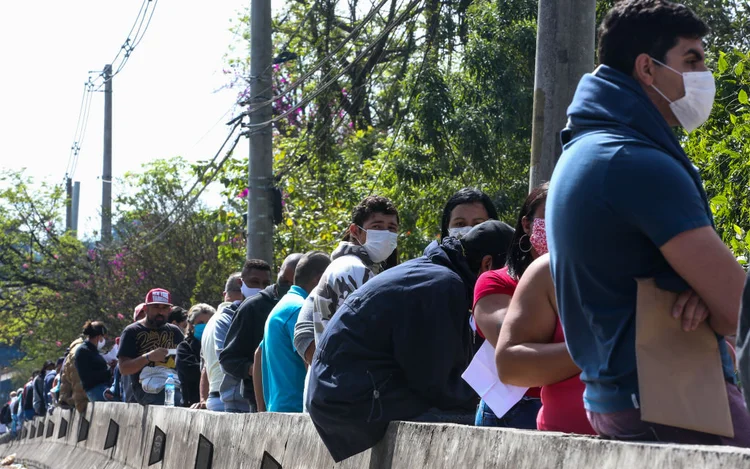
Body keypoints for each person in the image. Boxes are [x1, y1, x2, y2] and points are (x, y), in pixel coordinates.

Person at [547, 0, 750, 445]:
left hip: (620, 402)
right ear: (647, 67)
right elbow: (739, 306)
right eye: (692, 60)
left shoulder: (585, 150)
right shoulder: (634, 162)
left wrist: (705, 289)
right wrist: (716, 294)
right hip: (677, 400)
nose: (704, 75)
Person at [307, 220, 516, 462]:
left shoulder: (432, 273)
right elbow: (436, 384)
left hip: (340, 393)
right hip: (350, 399)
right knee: (487, 424)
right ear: (487, 264)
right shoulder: (443, 284)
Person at [471, 183, 547, 428]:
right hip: (516, 411)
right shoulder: (495, 282)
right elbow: (511, 343)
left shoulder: (585, 283)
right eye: (550, 216)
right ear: (527, 225)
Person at [294, 196, 400, 368]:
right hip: (352, 385)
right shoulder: (353, 270)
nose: (385, 234)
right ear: (355, 231)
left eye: (391, 228)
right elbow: (368, 339)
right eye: (377, 227)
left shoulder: (358, 268)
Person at [496, 254, 595, 435]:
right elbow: (509, 365)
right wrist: (598, 347)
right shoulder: (550, 269)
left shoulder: (661, 259)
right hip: (565, 445)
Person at [219, 255, 301, 411]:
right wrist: (256, 369)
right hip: (259, 399)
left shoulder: (303, 304)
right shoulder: (253, 307)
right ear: (280, 272)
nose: (260, 287)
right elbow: (228, 358)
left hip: (295, 397)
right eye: (254, 282)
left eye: (265, 283)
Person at [259, 252, 330, 413]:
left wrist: (261, 408)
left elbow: (258, 354)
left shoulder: (284, 305)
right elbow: (311, 361)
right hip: (296, 411)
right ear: (320, 280)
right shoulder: (300, 309)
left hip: (278, 409)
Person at [118, 288, 185, 406]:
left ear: (169, 310)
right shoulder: (132, 331)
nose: (160, 312)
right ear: (145, 309)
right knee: (175, 401)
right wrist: (148, 357)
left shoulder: (175, 332)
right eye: (156, 307)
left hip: (174, 384)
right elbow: (123, 368)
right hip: (146, 389)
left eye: (164, 308)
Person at [200, 273, 243, 412]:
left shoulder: (211, 322)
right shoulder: (234, 317)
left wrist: (203, 399)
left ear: (225, 294)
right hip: (231, 399)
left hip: (214, 398)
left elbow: (205, 368)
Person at [176, 304, 215, 407]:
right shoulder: (184, 348)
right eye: (201, 323)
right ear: (191, 325)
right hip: (192, 404)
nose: (206, 326)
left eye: (209, 322)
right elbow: (193, 373)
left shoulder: (218, 346)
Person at [74, 321, 112, 403]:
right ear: (99, 336)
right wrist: (110, 371)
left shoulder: (92, 350)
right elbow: (89, 376)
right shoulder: (83, 351)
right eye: (103, 337)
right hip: (96, 389)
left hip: (102, 387)